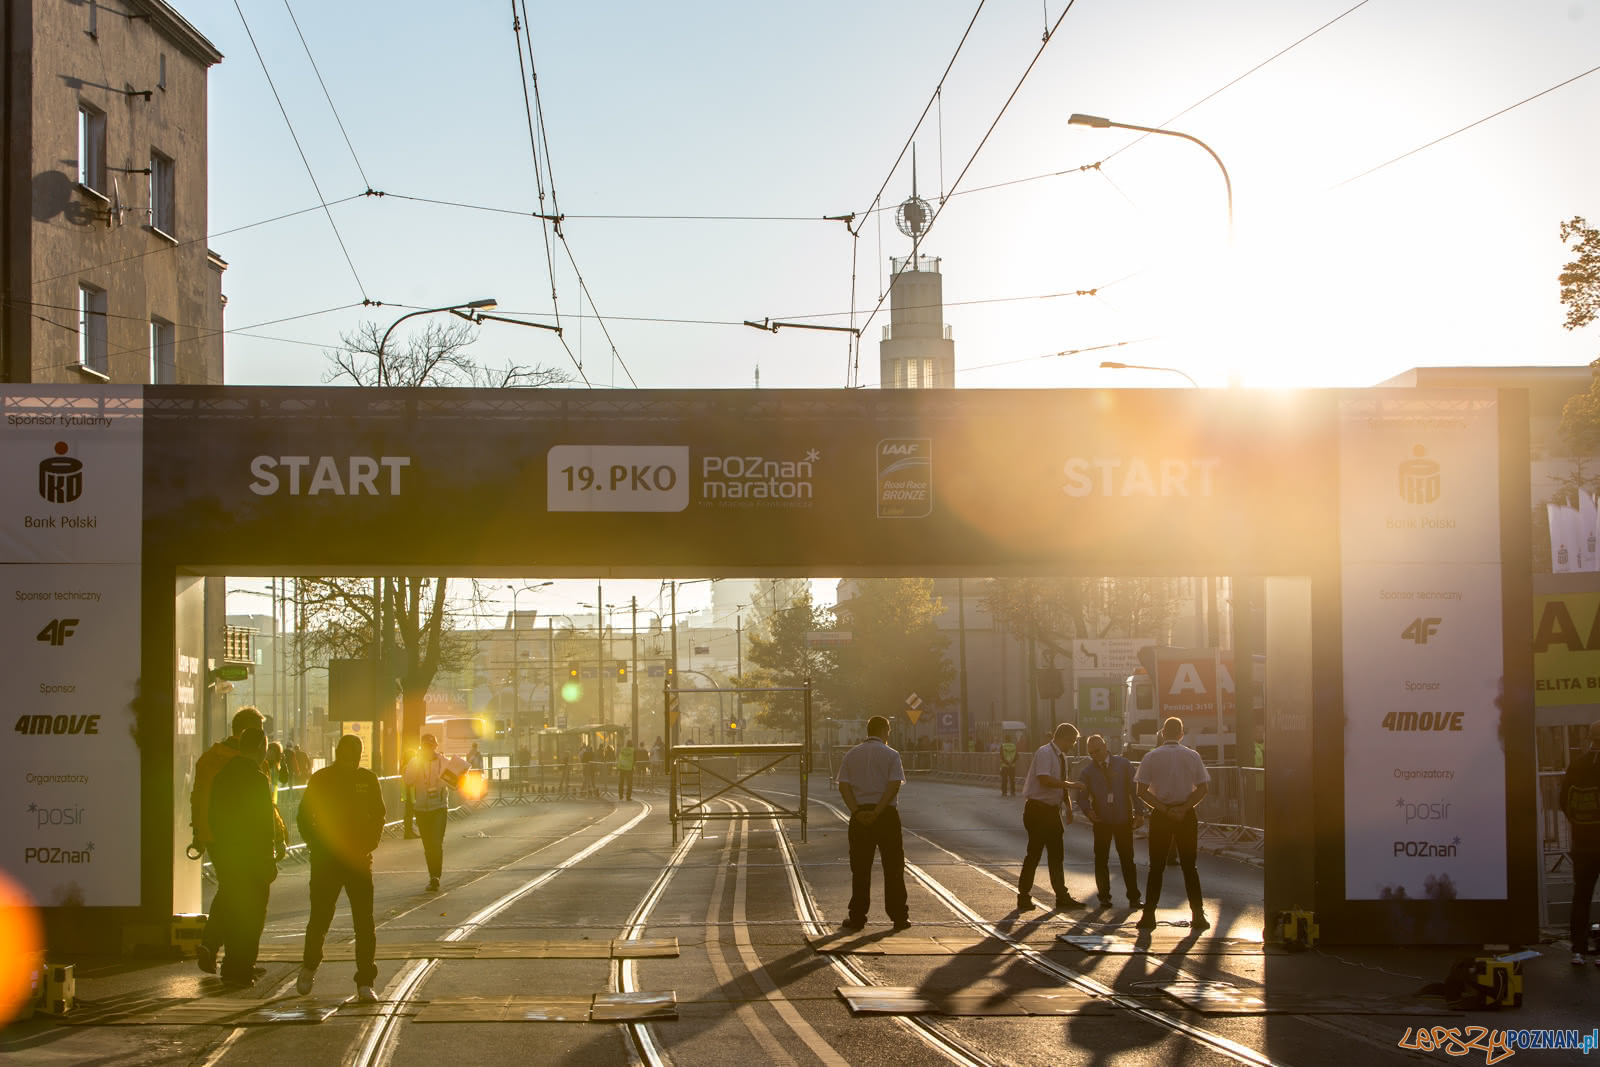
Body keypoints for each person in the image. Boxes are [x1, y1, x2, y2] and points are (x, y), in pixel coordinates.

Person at [189, 706, 286, 977]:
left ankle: (215, 947)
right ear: (249, 734)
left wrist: (199, 832)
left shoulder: (210, 759)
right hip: (248, 843)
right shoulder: (254, 766)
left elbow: (198, 796)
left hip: (216, 836)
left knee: (230, 890)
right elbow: (265, 811)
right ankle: (236, 961)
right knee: (247, 901)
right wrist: (278, 838)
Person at [296, 733, 386, 1002]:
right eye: (348, 755)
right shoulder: (322, 779)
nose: (351, 760)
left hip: (356, 860)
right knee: (324, 918)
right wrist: (316, 844)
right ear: (340, 754)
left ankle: (364, 980)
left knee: (361, 922)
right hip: (329, 860)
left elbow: (379, 814)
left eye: (354, 755)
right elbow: (304, 816)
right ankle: (312, 965)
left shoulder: (367, 780)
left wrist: (369, 843)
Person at [208, 727, 279, 987]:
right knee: (253, 915)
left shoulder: (223, 775)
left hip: (228, 853)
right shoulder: (257, 778)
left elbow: (213, 815)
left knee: (235, 908)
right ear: (261, 746)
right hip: (252, 857)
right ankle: (241, 967)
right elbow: (264, 822)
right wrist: (268, 857)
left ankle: (229, 964)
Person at [1135, 717, 1212, 932]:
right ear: (1181, 733)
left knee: (1156, 866)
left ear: (1162, 733)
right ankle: (1198, 915)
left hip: (1161, 814)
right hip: (1186, 816)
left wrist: (1165, 809)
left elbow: (1140, 791)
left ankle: (1149, 915)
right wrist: (1184, 808)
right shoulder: (1192, 755)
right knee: (1190, 866)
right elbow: (1203, 788)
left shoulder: (1150, 757)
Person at [836, 715, 909, 932]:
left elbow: (844, 787)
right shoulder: (892, 755)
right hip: (886, 815)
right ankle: (899, 916)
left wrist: (857, 812)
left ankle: (857, 916)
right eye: (889, 731)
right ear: (885, 730)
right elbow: (894, 785)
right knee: (893, 866)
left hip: (860, 817)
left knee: (860, 868)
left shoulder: (851, 755)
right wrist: (878, 812)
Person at [1016, 722, 1088, 912]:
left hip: (1051, 811)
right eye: (1071, 741)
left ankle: (1061, 896)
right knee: (1035, 853)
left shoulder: (1061, 756)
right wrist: (1073, 785)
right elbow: (1045, 780)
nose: (1072, 745)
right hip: (1038, 810)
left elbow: (1060, 783)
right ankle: (1023, 895)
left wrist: (1068, 807)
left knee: (1057, 855)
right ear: (1062, 737)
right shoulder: (1045, 753)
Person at [1077, 734, 1143, 909]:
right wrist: (1088, 811)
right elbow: (1081, 796)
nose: (1094, 755)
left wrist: (1140, 812)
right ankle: (1104, 896)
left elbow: (1135, 790)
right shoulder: (1088, 772)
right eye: (1091, 753)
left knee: (1127, 859)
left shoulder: (1123, 764)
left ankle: (1134, 898)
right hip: (1102, 821)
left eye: (1097, 751)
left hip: (1123, 819)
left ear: (1105, 746)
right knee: (1101, 859)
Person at [1561, 721, 1600, 963]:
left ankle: (1578, 949)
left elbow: (1564, 801)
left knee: (1581, 895)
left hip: (1583, 843)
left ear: (1590, 737)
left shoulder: (1576, 765)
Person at [403, 734, 451, 892]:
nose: (428, 749)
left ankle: (435, 877)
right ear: (421, 747)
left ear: (435, 747)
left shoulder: (443, 761)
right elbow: (408, 780)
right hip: (421, 808)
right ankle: (432, 875)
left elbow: (454, 783)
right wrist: (416, 763)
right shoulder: (415, 761)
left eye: (431, 746)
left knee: (436, 843)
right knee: (428, 845)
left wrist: (447, 779)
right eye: (425, 746)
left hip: (439, 807)